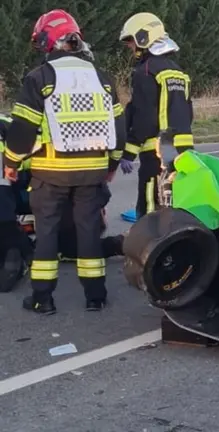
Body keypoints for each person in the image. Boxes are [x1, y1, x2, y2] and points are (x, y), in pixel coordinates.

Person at [2, 9, 126, 314]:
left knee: (47, 235)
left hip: (51, 172)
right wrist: (112, 164)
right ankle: (95, 297)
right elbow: (119, 129)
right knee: (87, 232)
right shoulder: (102, 79)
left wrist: (12, 162)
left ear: (48, 40)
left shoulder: (39, 78)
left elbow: (22, 129)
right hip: (92, 172)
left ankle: (42, 299)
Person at [118, 12, 194, 218]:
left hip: (157, 153)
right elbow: (188, 113)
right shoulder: (179, 72)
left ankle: (151, 247)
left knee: (151, 207)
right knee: (174, 203)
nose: (130, 47)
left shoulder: (145, 71)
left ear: (144, 38)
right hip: (184, 152)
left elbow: (144, 115)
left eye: (132, 42)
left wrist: (128, 152)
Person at [0, 114, 33, 292]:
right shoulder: (5, 123)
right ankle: (22, 251)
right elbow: (26, 160)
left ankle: (18, 251)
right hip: (6, 194)